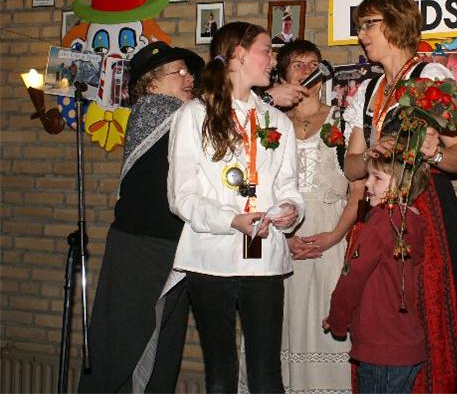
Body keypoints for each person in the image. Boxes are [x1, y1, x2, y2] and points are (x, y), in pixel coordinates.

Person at [343, 0, 457, 393]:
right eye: (359, 27)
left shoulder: (431, 77)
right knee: (379, 314)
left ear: (395, 25)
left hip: (423, 212)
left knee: (424, 310)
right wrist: (370, 155)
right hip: (376, 211)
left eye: (368, 25)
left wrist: (435, 152)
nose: (361, 35)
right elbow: (350, 167)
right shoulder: (368, 90)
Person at [167, 21, 304, 393]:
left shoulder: (277, 121)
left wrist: (290, 210)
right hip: (211, 258)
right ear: (239, 54)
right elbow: (182, 196)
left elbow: (289, 187)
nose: (273, 61)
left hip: (264, 259)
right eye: (266, 51)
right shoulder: (194, 115)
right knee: (221, 373)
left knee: (266, 373)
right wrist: (231, 220)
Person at [78, 41, 204, 393]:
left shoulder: (188, 116)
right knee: (120, 346)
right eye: (179, 72)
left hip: (174, 247)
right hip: (140, 248)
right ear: (151, 83)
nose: (189, 78)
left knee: (163, 350)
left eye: (189, 72)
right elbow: (215, 117)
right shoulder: (153, 108)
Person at [275, 40, 361, 393]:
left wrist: (335, 235)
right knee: (284, 318)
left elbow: (358, 190)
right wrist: (283, 239)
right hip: (282, 236)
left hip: (331, 233)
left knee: (328, 317)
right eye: (298, 64)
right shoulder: (271, 122)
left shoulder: (343, 119)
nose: (307, 70)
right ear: (282, 76)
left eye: (314, 64)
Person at [325, 152, 429, 394]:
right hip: (405, 343)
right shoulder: (413, 220)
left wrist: (338, 318)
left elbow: (353, 276)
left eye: (377, 178)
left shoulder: (382, 221)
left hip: (384, 345)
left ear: (402, 185)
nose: (368, 184)